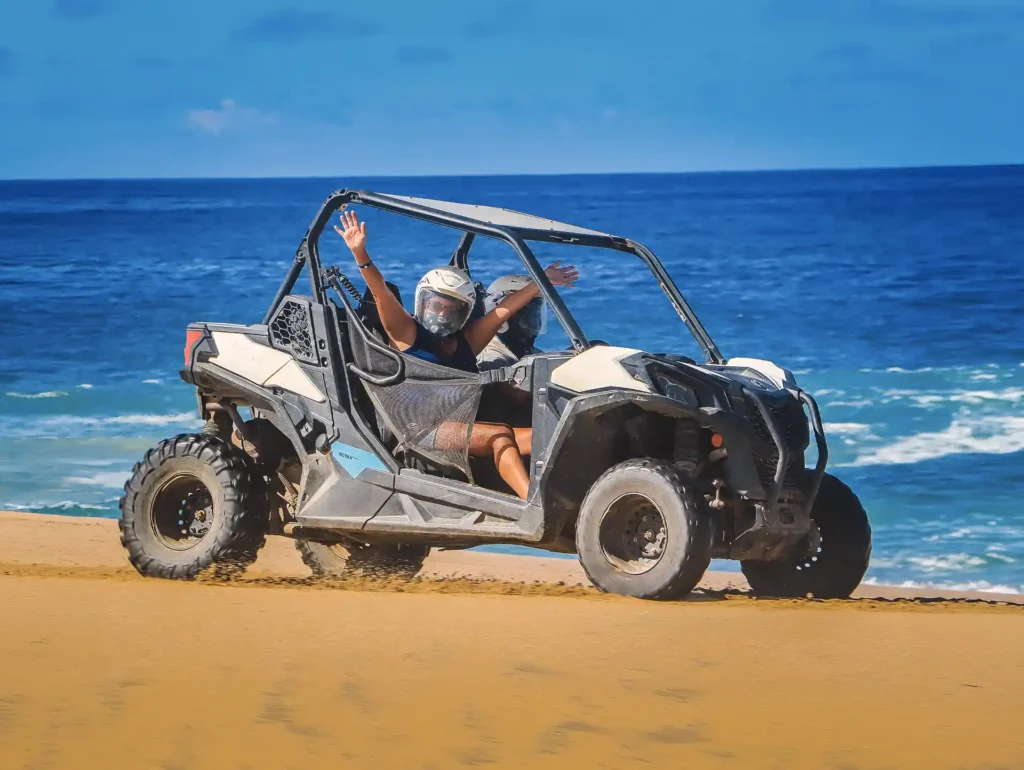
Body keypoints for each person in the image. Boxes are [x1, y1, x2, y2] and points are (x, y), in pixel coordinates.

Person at [335, 209, 577, 500]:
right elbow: (380, 294)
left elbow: (505, 309)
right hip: (421, 431)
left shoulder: (467, 340)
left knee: (550, 434)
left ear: (465, 312)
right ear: (422, 302)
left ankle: (566, 497)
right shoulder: (407, 334)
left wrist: (542, 280)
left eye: (451, 309)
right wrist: (361, 254)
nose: (442, 313)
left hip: (462, 425)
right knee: (499, 434)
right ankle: (533, 506)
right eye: (436, 305)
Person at [476, 274, 544, 372]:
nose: (535, 319)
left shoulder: (524, 350)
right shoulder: (493, 360)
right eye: (530, 312)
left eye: (537, 312)